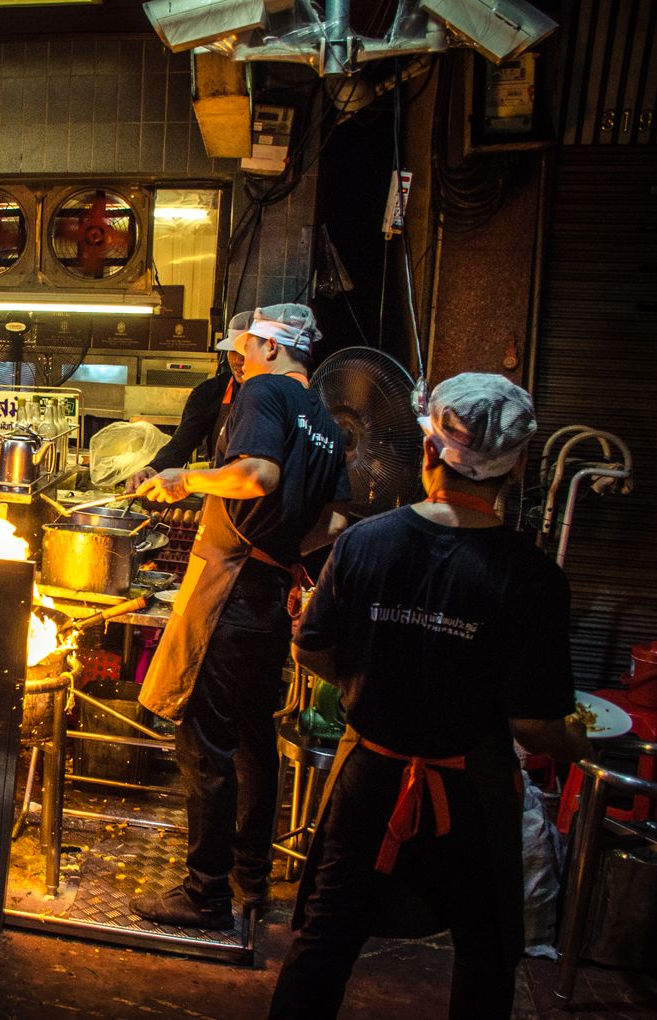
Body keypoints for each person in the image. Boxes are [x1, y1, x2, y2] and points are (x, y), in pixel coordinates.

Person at [267, 373, 593, 1020]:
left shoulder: (364, 542)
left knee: (325, 944)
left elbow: (310, 647)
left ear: (427, 453)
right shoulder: (533, 577)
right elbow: (534, 722)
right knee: (484, 957)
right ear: (516, 465)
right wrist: (575, 740)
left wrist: (370, 674)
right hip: (475, 791)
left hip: (370, 779)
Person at [131, 303, 351, 930]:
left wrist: (186, 479)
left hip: (231, 591)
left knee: (205, 747)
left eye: (246, 347)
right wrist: (281, 550)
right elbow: (333, 519)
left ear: (272, 348)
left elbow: (255, 474)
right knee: (255, 743)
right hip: (272, 596)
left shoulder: (267, 391)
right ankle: (249, 879)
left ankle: (204, 897)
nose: (240, 358)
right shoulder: (327, 421)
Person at [130, 311, 250, 487]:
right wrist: (154, 468)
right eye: (233, 351)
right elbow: (183, 441)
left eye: (245, 352)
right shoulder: (209, 392)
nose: (238, 360)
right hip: (217, 488)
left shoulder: (274, 396)